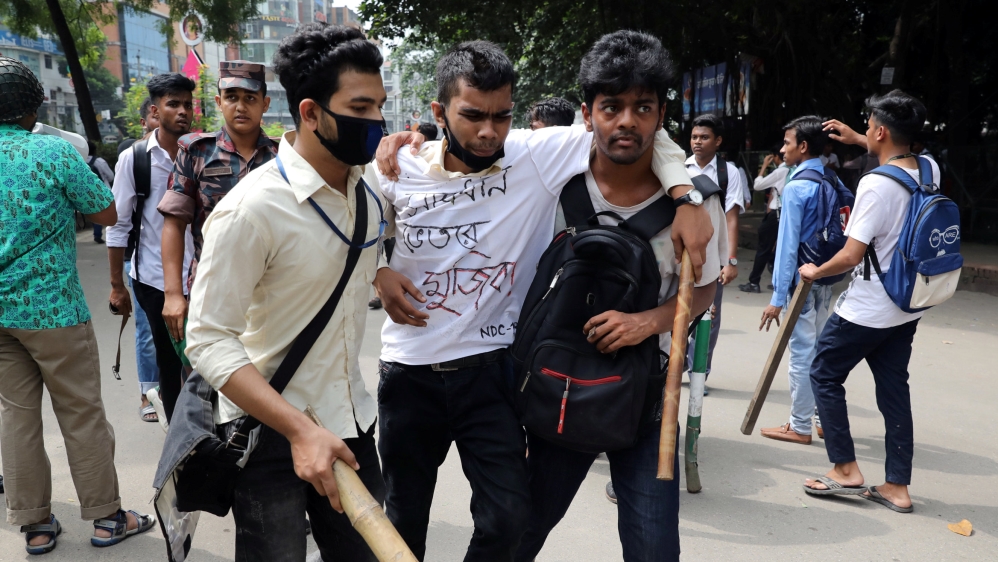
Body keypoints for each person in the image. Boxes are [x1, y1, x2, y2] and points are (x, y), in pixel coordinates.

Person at [371, 37, 711, 561]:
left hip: (498, 371)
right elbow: (341, 226)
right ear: (440, 111)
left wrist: (685, 195)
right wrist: (378, 272)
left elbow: (638, 126)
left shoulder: (534, 156)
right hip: (411, 371)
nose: (488, 132)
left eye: (501, 116)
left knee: (511, 522)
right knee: (404, 519)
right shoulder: (397, 168)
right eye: (472, 116)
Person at [513, 32, 723, 561]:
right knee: (517, 534)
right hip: (558, 386)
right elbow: (471, 147)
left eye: (642, 107)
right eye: (612, 107)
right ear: (588, 113)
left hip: (648, 397)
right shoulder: (553, 185)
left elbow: (705, 288)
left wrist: (648, 322)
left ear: (660, 115)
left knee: (654, 548)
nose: (626, 120)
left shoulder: (697, 205)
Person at [185, 23, 388, 561]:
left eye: (380, 108)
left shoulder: (367, 199)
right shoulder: (252, 209)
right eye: (361, 108)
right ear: (310, 112)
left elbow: (349, 265)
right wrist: (299, 430)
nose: (376, 123)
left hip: (350, 423)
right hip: (268, 433)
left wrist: (381, 275)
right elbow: (206, 340)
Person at [0, 56, 155, 555]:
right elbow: (105, 211)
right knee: (81, 413)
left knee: (16, 416)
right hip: (54, 313)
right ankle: (108, 517)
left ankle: (36, 525)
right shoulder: (53, 153)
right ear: (33, 108)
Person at [800, 90, 939, 513]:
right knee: (895, 389)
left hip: (869, 306)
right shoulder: (929, 169)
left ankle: (845, 469)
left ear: (880, 131)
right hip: (908, 302)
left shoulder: (875, 185)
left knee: (823, 373)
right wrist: (858, 138)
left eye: (869, 125)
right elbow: (902, 151)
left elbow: (850, 255)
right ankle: (897, 485)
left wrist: (815, 272)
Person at [158, 61, 277, 360]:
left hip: (270, 293)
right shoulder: (196, 151)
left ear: (265, 104)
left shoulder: (282, 156)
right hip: (210, 288)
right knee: (204, 385)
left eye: (250, 98)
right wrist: (173, 294)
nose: (240, 106)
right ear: (218, 102)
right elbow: (174, 224)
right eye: (232, 97)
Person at [107, 74, 195, 424]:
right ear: (155, 111)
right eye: (174, 104)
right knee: (169, 361)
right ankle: (178, 438)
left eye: (188, 104)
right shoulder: (135, 159)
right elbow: (118, 224)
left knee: (208, 359)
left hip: (202, 275)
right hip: (154, 280)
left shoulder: (202, 151)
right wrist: (117, 286)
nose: (183, 111)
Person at [757, 116, 848, 444]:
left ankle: (799, 425)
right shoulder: (830, 177)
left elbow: (786, 247)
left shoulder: (797, 186)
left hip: (802, 282)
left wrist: (778, 298)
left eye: (787, 143)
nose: (782, 150)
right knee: (822, 349)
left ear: (803, 146)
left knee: (801, 352)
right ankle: (822, 418)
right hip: (826, 275)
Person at [684, 113, 748, 392]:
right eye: (695, 137)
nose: (698, 142)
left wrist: (730, 261)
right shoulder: (678, 167)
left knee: (708, 317)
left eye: (704, 137)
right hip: (681, 255)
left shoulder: (728, 173)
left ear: (718, 141)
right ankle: (674, 364)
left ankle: (700, 373)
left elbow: (731, 217)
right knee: (674, 310)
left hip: (712, 257)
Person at [740, 145, 790, 293]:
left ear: (775, 156)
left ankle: (754, 282)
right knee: (783, 248)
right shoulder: (795, 169)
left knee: (764, 248)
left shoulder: (781, 171)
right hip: (787, 213)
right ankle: (780, 282)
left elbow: (758, 185)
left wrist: (764, 167)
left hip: (776, 214)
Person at [85, 140, 115, 244]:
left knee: (91, 210)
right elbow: (111, 176)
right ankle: (98, 234)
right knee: (101, 211)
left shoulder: (78, 160)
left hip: (85, 191)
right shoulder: (99, 161)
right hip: (101, 191)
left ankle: (96, 232)